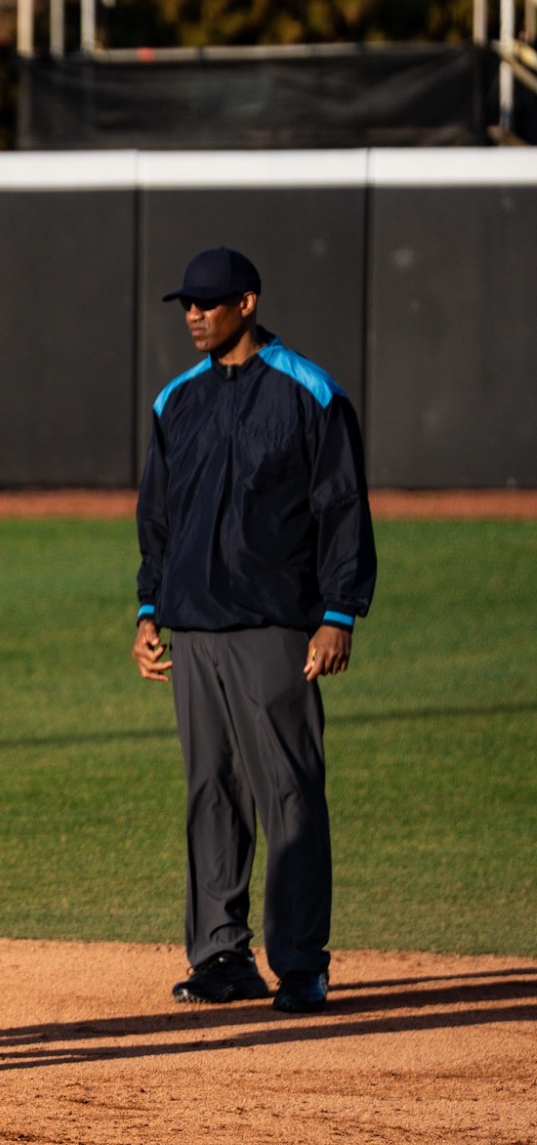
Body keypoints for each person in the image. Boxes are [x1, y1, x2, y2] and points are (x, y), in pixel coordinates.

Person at [133, 247, 376, 1015]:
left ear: (248, 302)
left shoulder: (309, 392)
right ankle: (221, 954)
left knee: (290, 793)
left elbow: (342, 510)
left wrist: (338, 613)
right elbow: (158, 519)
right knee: (212, 791)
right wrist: (148, 608)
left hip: (277, 625)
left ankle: (301, 962)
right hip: (195, 629)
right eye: (187, 305)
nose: (194, 316)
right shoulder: (178, 401)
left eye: (208, 303)